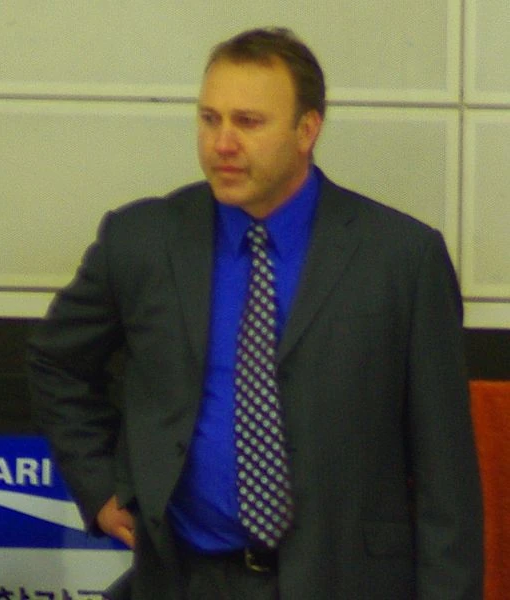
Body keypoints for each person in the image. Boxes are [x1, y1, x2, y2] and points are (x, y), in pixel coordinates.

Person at [27, 27, 483, 599]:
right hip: (183, 579)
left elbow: (447, 476)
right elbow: (57, 363)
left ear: (307, 130)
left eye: (247, 122)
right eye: (209, 119)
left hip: (346, 581)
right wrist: (98, 486)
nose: (222, 143)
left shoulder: (401, 259)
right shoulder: (143, 240)